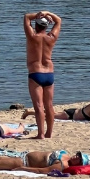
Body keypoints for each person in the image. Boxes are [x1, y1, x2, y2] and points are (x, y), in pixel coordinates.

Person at [23, 10, 61, 139]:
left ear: (36, 25)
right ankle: (49, 132)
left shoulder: (32, 36)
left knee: (39, 105)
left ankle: (41, 134)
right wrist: (47, 13)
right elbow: (58, 20)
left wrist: (38, 14)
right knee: (49, 105)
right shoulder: (51, 37)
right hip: (49, 73)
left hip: (36, 73)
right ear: (46, 26)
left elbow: (26, 17)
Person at [0, 150, 90, 174]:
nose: (76, 156)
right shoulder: (66, 155)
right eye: (78, 154)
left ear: (79, 164)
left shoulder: (63, 165)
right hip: (23, 155)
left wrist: (23, 169)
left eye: (79, 159)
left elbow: (42, 171)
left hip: (23, 162)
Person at [22, 96, 90, 121]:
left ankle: (31, 112)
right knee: (50, 115)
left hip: (74, 112)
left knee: (52, 113)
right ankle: (29, 113)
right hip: (70, 115)